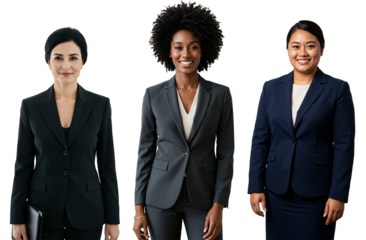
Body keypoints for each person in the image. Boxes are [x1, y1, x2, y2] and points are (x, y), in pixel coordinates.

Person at [131, 1, 233, 240]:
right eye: (178, 47)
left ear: (203, 49)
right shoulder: (152, 94)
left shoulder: (221, 94)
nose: (185, 54)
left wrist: (220, 205)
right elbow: (144, 153)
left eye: (193, 47)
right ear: (168, 51)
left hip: (205, 197)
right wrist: (138, 210)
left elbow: (227, 154)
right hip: (160, 196)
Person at [246, 19, 356, 240]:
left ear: (322, 50)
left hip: (318, 195)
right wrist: (254, 187)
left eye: (311, 45)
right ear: (287, 51)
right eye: (295, 46)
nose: (302, 52)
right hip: (275, 193)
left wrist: (339, 194)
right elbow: (259, 140)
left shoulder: (338, 89)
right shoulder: (269, 87)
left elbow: (344, 146)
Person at [9, 26, 121, 240]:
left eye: (73, 58)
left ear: (83, 63)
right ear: (48, 63)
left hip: (88, 212)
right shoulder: (30, 106)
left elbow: (108, 165)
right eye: (58, 58)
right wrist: (16, 217)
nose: (66, 65)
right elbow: (22, 165)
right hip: (43, 212)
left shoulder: (100, 104)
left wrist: (113, 219)